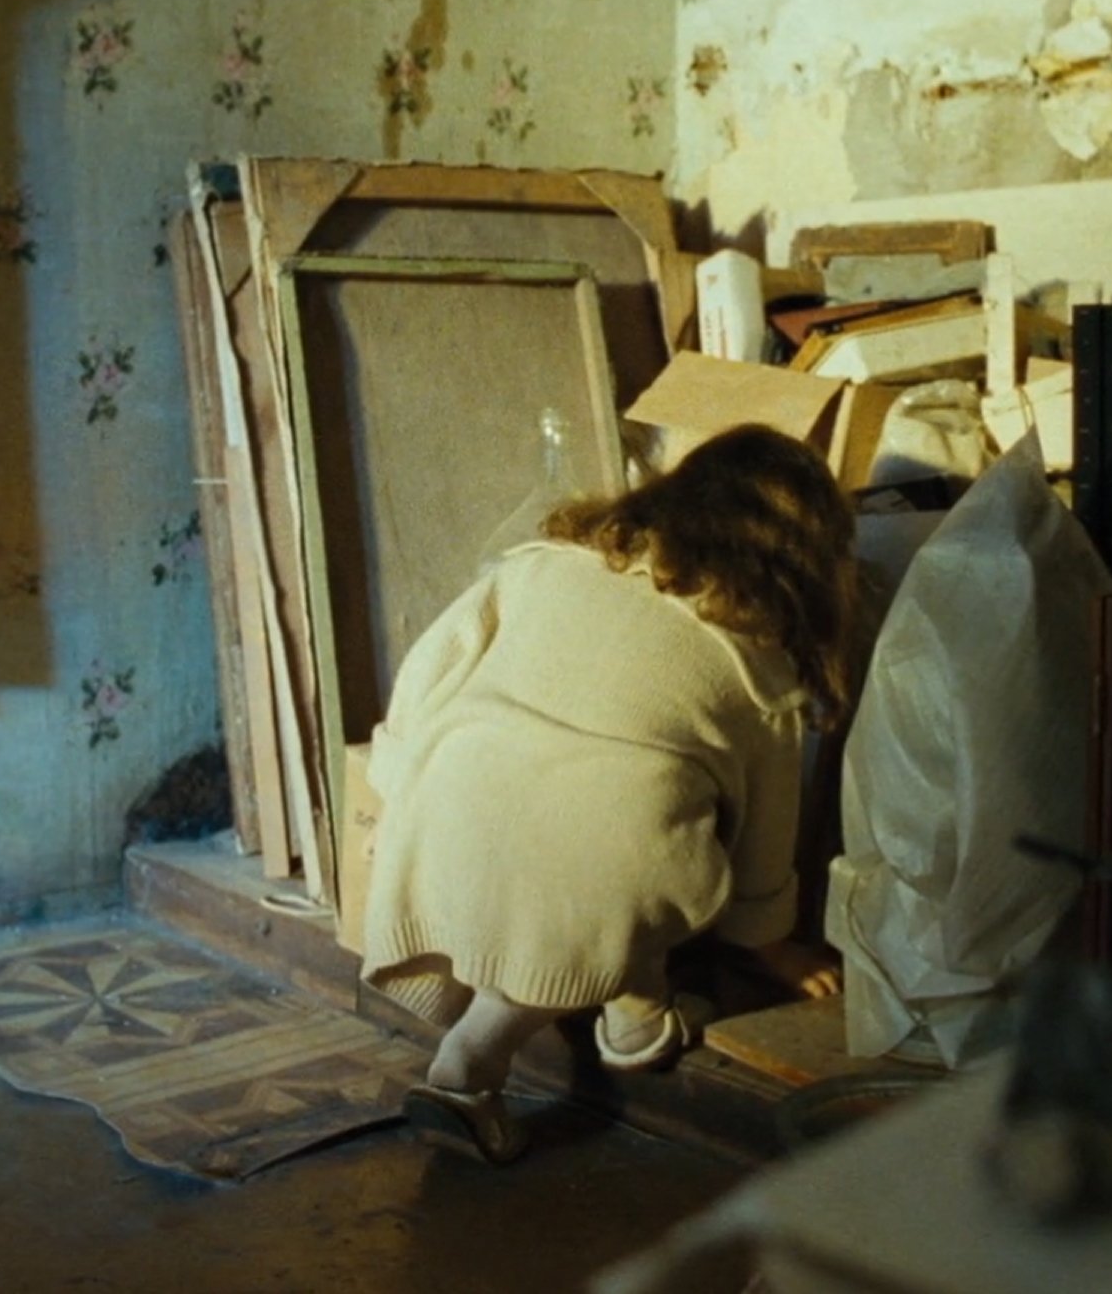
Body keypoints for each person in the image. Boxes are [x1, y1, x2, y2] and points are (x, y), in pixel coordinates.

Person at [359, 424, 857, 1165]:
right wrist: (774, 945)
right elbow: (764, 840)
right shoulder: (759, 665)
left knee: (582, 856)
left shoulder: (541, 569)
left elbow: (426, 670)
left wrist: (395, 787)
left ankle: (630, 999)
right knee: (629, 855)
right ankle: (486, 1058)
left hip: (444, 819)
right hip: (595, 870)